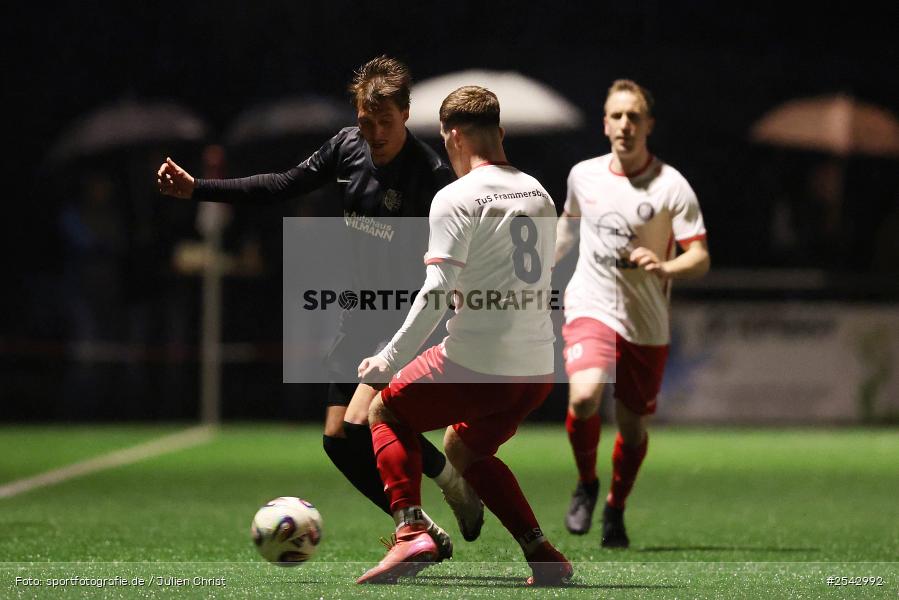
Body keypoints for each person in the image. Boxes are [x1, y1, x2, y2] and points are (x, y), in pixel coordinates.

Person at [156, 56, 483, 559]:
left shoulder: (430, 174)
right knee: (337, 440)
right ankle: (441, 494)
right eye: (365, 121)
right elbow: (281, 184)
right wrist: (199, 189)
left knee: (365, 422)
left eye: (385, 122)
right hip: (358, 316)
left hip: (404, 319)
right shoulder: (347, 149)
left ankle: (415, 527)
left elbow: (457, 253)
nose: (373, 132)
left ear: (405, 114)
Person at [356, 85, 572, 586]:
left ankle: (412, 533)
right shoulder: (538, 191)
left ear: (451, 136)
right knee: (464, 451)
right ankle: (543, 555)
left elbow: (436, 292)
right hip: (537, 368)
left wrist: (387, 359)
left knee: (384, 409)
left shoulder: (456, 197)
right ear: (499, 133)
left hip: (478, 364)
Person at [555, 79, 710, 548]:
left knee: (632, 427)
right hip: (590, 303)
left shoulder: (671, 186)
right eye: (616, 116)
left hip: (645, 322)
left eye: (633, 116)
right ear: (605, 125)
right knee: (583, 398)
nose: (625, 124)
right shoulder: (583, 175)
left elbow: (699, 256)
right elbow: (568, 225)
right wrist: (538, 266)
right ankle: (586, 483)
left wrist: (665, 266)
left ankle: (615, 509)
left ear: (648, 125)